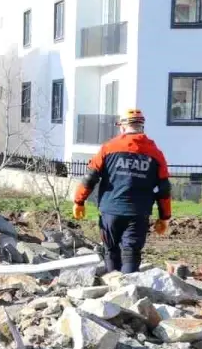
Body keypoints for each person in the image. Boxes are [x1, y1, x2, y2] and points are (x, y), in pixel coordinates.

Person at [73, 109, 171, 274]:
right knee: (131, 252)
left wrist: (79, 201)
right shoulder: (156, 153)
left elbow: (90, 177)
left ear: (123, 127)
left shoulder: (108, 148)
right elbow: (164, 189)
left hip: (110, 211)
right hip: (138, 213)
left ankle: (113, 290)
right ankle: (128, 292)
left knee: (111, 250)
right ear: (142, 127)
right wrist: (164, 217)